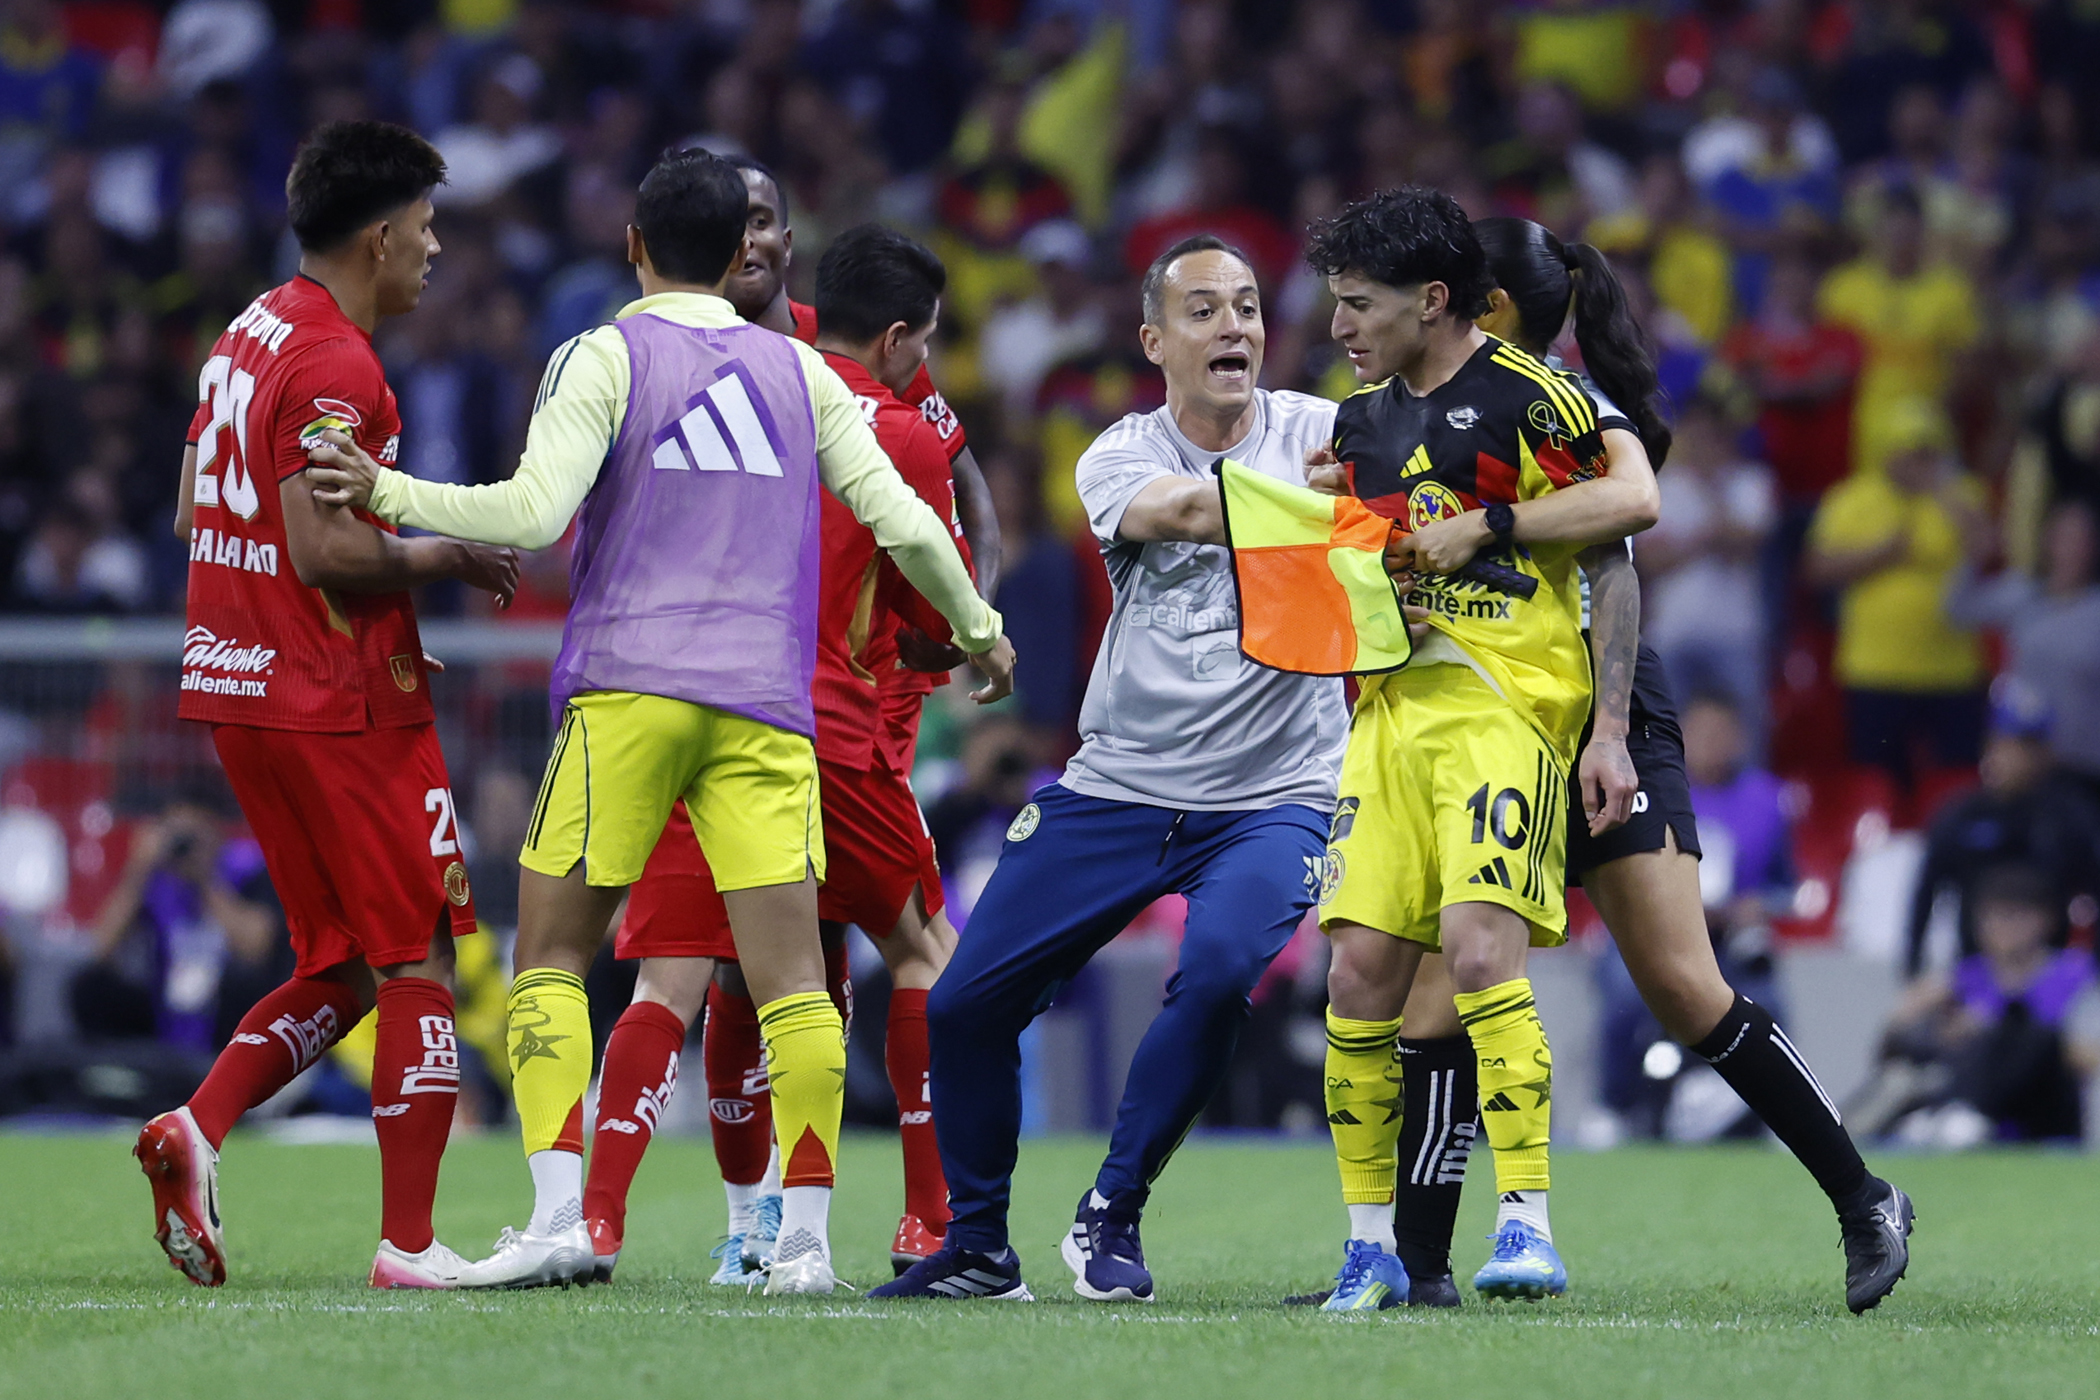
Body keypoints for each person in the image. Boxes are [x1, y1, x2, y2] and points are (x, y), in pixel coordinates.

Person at [305, 147, 1013, 1295]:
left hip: (630, 694)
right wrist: (981, 626)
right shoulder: (807, 373)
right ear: (745, 257)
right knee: (794, 980)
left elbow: (529, 513)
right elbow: (907, 524)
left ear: (633, 246)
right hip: (767, 711)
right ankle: (807, 1242)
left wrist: (383, 489)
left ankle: (557, 1216)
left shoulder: (604, 351)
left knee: (555, 952)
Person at [1305, 213, 1913, 1316]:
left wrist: (1611, 731)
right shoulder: (1405, 414)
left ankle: (1865, 1194)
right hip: (1478, 719)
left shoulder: (1563, 410)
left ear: (1474, 304)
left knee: (1684, 985)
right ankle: (1422, 1265)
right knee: (1442, 984)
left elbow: (1618, 566)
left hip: (1599, 716)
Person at [871, 235, 1348, 1305]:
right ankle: (982, 1248)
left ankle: (1112, 1208)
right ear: (1154, 340)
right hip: (1120, 784)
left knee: (1224, 969)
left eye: (1247, 307)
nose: (1235, 327)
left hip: (1277, 792)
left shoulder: (1326, 428)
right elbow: (1183, 512)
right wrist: (1340, 508)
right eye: (1205, 311)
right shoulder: (1116, 453)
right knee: (963, 1006)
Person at [134, 120, 521, 1291]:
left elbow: (202, 512)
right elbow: (321, 548)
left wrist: (366, 616)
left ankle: (194, 1130)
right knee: (420, 965)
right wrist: (438, 560)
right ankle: (410, 1243)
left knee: (346, 965)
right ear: (379, 232)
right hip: (335, 704)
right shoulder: (341, 362)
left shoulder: (249, 330)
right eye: (426, 226)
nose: (435, 247)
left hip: (244, 680)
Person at [582, 220, 989, 1287]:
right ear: (901, 339)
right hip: (831, 730)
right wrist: (972, 635)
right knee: (911, 958)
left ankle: (605, 1223)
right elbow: (922, 605)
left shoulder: (735, 384)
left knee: (678, 978)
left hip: (691, 706)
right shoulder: (895, 428)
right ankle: (917, 1221)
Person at [1291, 192, 1660, 1310]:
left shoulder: (1532, 398)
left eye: (1359, 304)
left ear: (1432, 300)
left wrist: (1605, 730)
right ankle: (1370, 1246)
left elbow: (1622, 536)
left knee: (1482, 950)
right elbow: (1366, 573)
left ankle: (1527, 1223)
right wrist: (1336, 530)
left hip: (1507, 705)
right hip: (1390, 715)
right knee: (1357, 976)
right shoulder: (1358, 425)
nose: (1342, 325)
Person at [1805, 399, 1988, 796]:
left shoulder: (1961, 493)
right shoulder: (1851, 498)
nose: (1916, 461)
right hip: (1876, 669)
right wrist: (1882, 554)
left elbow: (1989, 550)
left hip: (1951, 670)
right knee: (1879, 781)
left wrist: (1946, 495)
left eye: (1927, 450)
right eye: (1907, 450)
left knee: (1957, 780)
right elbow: (1817, 569)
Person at [1858, 864, 2100, 1145]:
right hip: (1973, 1093)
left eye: (2013, 917)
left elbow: (2090, 1056)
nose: (2001, 929)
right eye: (1991, 917)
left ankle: (1954, 1120)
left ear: (2044, 920)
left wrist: (1994, 1029)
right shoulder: (1961, 979)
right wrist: (1922, 1017)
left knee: (2028, 1038)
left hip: (2044, 1114)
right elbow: (1891, 1038)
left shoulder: (2076, 976)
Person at [1904, 682, 2100, 978]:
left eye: (2032, 746)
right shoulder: (1960, 814)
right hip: (1973, 973)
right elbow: (1926, 890)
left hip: (2049, 977)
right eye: (2012, 744)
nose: (2021, 756)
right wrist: (1912, 966)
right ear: (1990, 746)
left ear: (2048, 752)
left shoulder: (2071, 817)